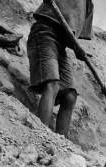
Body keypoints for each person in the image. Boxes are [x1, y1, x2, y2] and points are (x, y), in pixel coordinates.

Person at [27, 0, 94, 137]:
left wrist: (77, 50)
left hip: (61, 45)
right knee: (52, 84)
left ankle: (60, 141)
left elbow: (71, 36)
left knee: (70, 96)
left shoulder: (89, 6)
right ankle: (41, 134)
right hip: (44, 31)